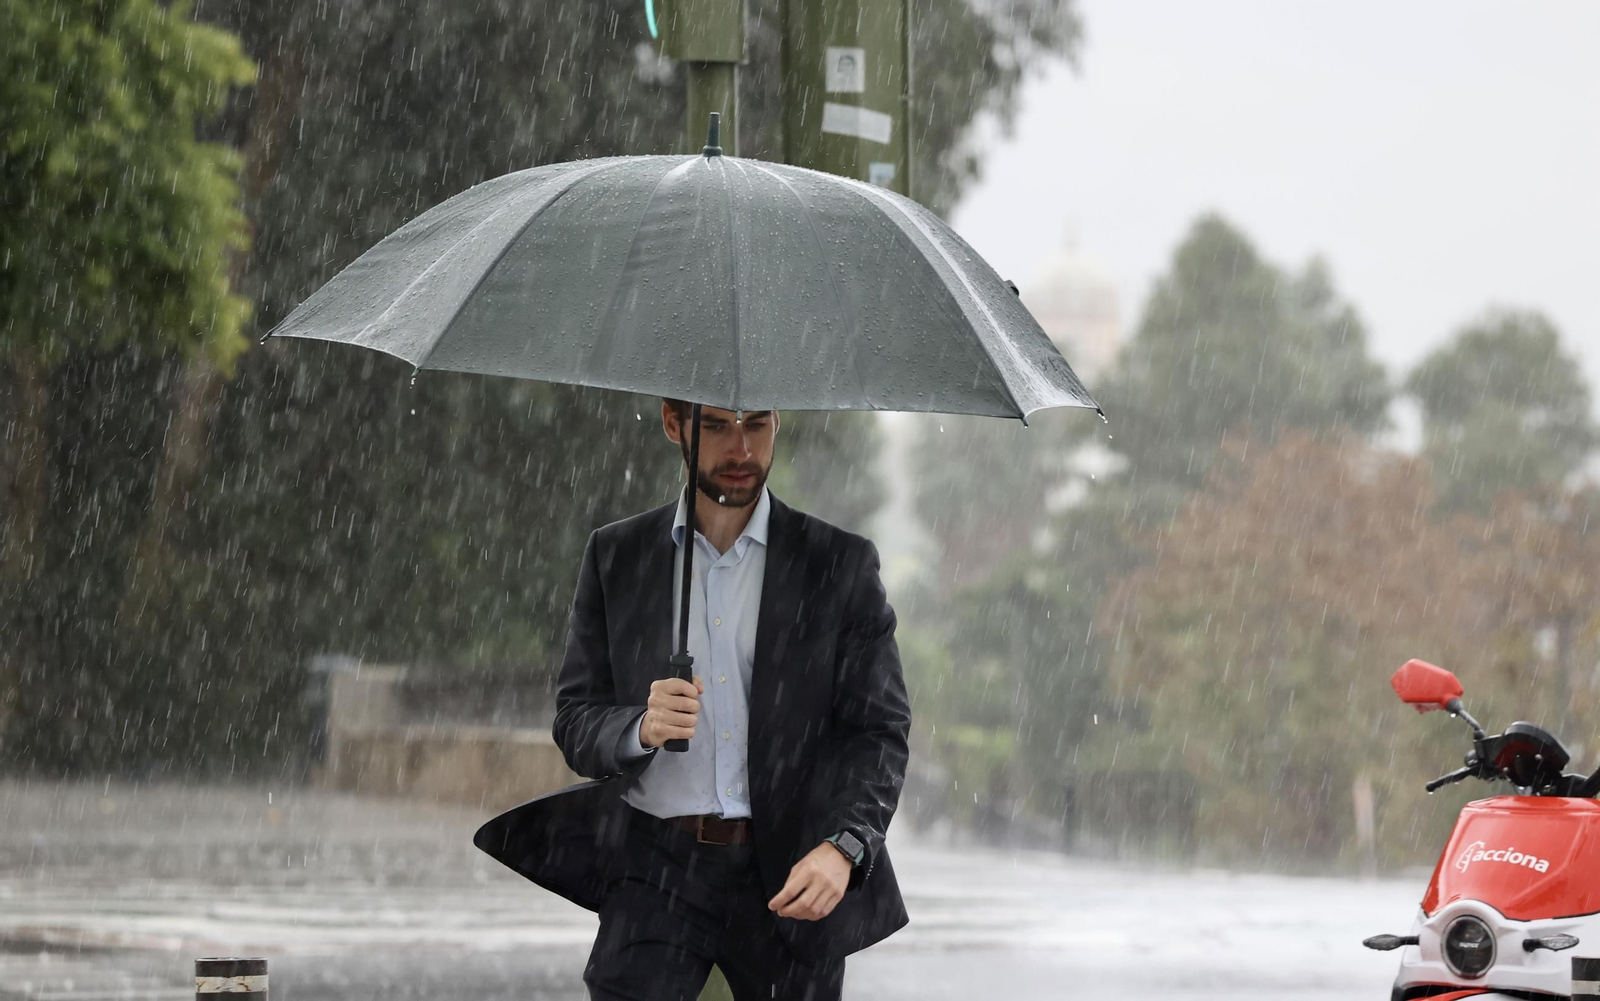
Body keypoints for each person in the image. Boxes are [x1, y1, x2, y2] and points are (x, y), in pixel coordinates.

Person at [474, 399, 912, 1001]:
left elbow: (878, 733)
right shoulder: (618, 556)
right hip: (657, 867)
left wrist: (845, 847)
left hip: (788, 867)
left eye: (757, 424)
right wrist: (639, 727)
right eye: (717, 426)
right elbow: (575, 719)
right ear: (674, 424)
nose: (742, 449)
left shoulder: (837, 565)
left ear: (778, 424)